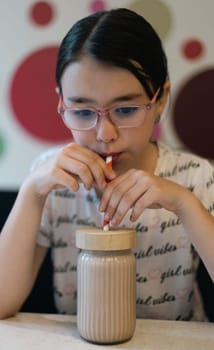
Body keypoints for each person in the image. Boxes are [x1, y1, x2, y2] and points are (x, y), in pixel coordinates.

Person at [0, 8, 214, 321]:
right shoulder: (52, 180)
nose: (105, 134)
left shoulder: (196, 177)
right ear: (62, 103)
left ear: (160, 101)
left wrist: (184, 203)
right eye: (83, 112)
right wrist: (32, 191)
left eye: (125, 110)